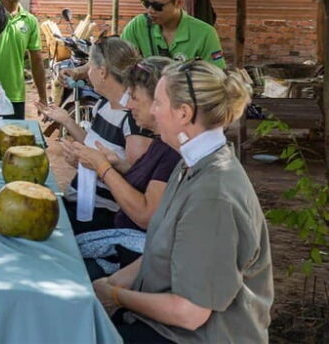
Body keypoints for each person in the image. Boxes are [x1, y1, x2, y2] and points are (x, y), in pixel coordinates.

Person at [93, 60, 273, 343]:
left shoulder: (213, 195)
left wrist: (116, 296)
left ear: (184, 113)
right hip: (164, 327)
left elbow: (189, 313)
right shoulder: (191, 163)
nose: (153, 110)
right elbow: (159, 251)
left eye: (159, 103)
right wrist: (109, 284)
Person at [71, 57, 180, 280]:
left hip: (134, 260)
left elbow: (145, 215)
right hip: (126, 247)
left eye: (135, 97)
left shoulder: (173, 152)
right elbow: (144, 183)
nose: (129, 105)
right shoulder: (161, 143)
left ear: (159, 101)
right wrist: (116, 164)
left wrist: (103, 168)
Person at [36, 37, 153, 235]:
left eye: (90, 67)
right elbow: (94, 145)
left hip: (101, 216)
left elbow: (137, 181)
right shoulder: (103, 104)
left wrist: (94, 167)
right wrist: (66, 120)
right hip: (79, 200)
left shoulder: (133, 119)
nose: (88, 73)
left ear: (102, 72)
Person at [61, 0, 225, 83]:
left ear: (179, 2)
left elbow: (217, 78)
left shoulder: (205, 34)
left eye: (158, 6)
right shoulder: (139, 25)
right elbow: (114, 57)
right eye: (146, 3)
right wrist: (78, 71)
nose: (150, 11)